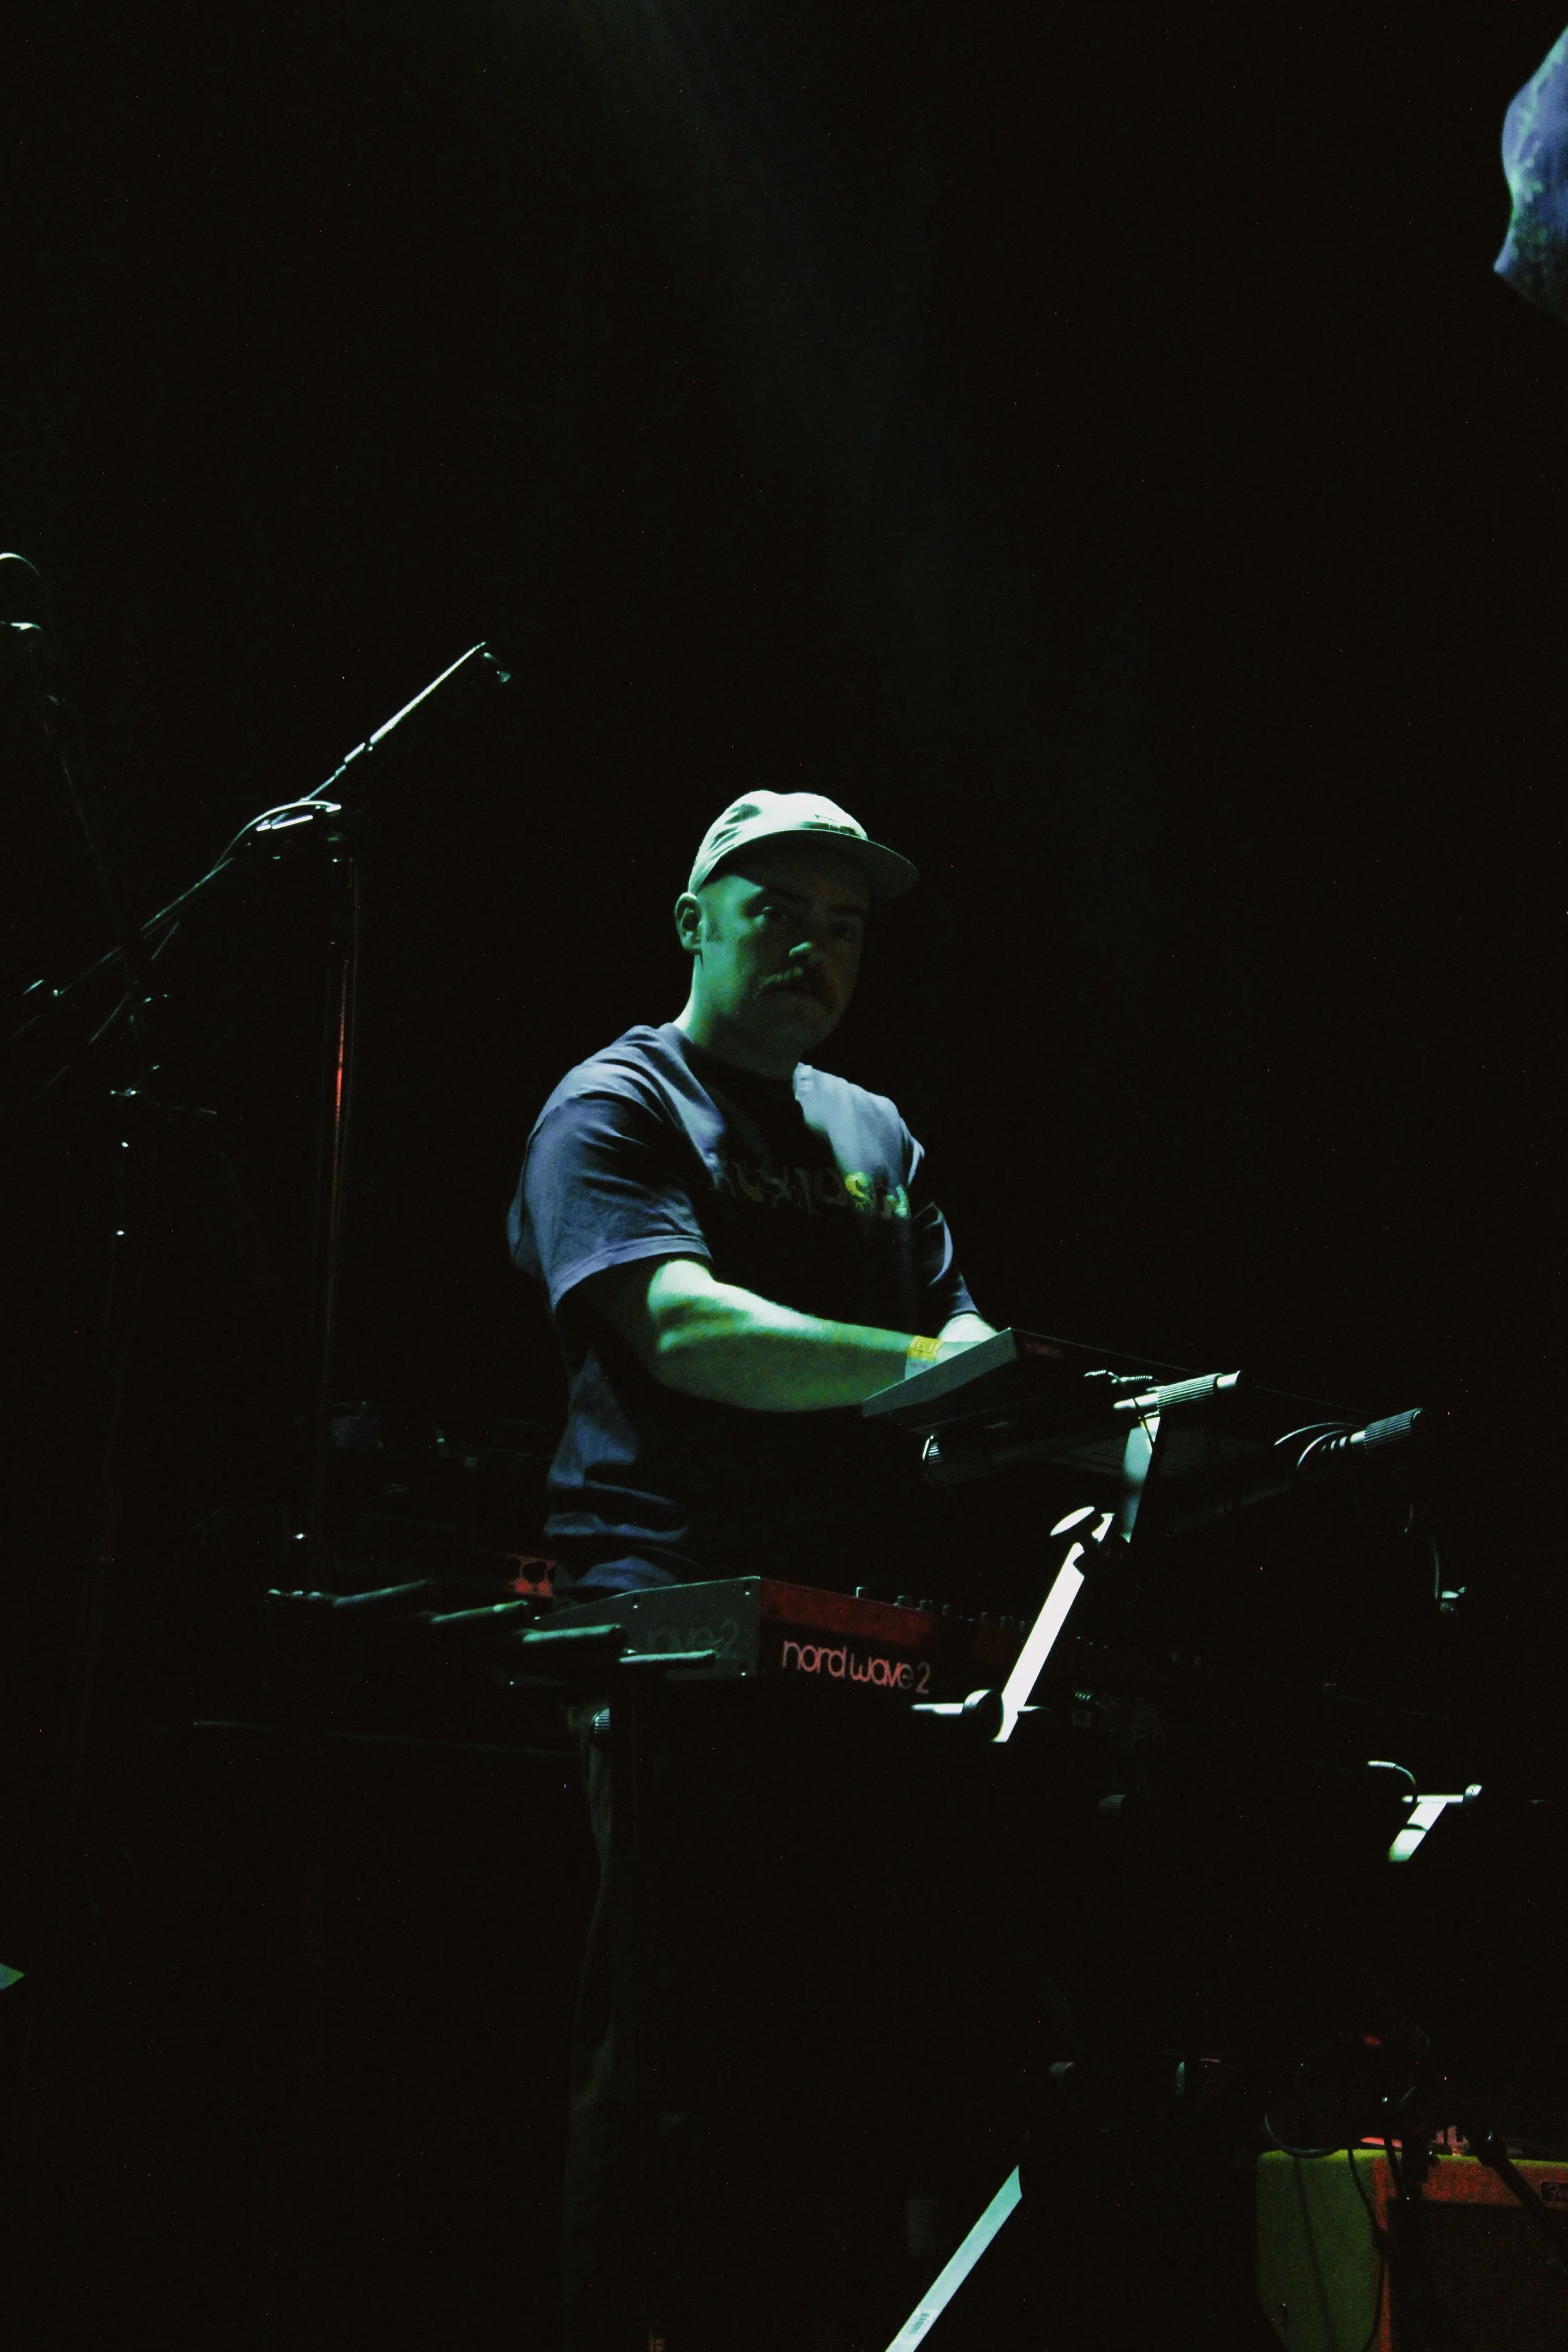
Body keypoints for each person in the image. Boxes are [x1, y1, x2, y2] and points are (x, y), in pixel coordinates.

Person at [509, 790, 997, 2351]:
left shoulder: (875, 1133)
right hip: (671, 1617)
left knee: (840, 2062)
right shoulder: (616, 1101)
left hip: (855, 1634)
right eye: (777, 911)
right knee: (674, 2056)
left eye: (844, 926)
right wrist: (929, 1366)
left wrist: (1027, 1389)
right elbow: (683, 1328)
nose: (814, 948)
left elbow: (962, 1336)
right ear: (692, 923)